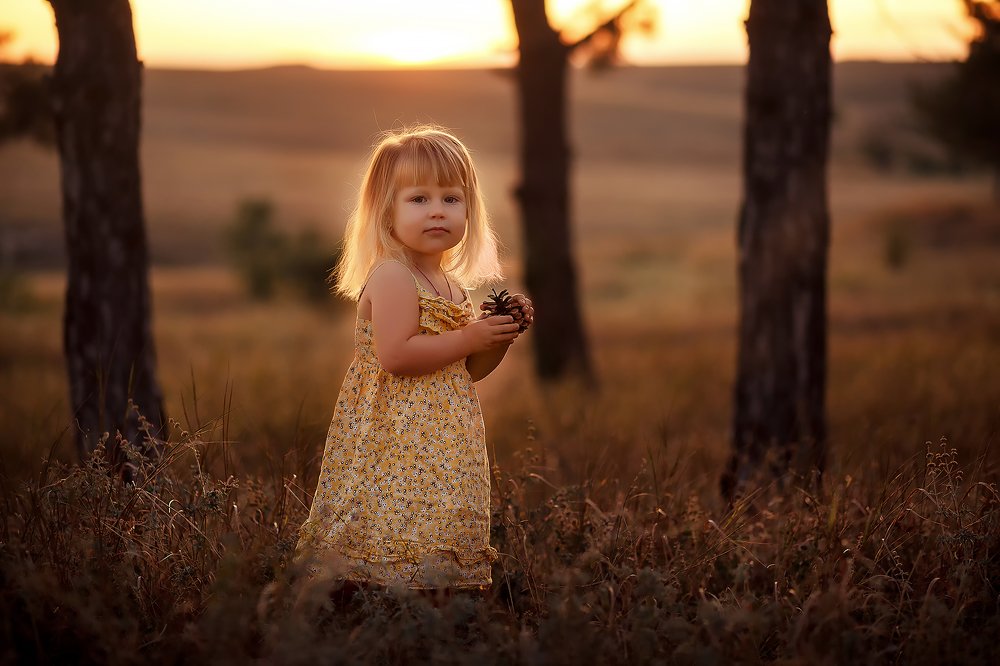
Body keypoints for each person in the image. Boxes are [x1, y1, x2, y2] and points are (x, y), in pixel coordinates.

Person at [293, 126, 533, 597]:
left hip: (440, 446)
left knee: (434, 537)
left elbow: (466, 370)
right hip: (394, 442)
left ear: (470, 210)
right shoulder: (393, 277)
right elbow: (398, 355)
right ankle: (371, 614)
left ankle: (431, 616)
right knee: (389, 536)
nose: (438, 210)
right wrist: (470, 335)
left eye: (452, 198)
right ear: (387, 211)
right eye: (419, 199)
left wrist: (497, 336)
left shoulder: (451, 286)